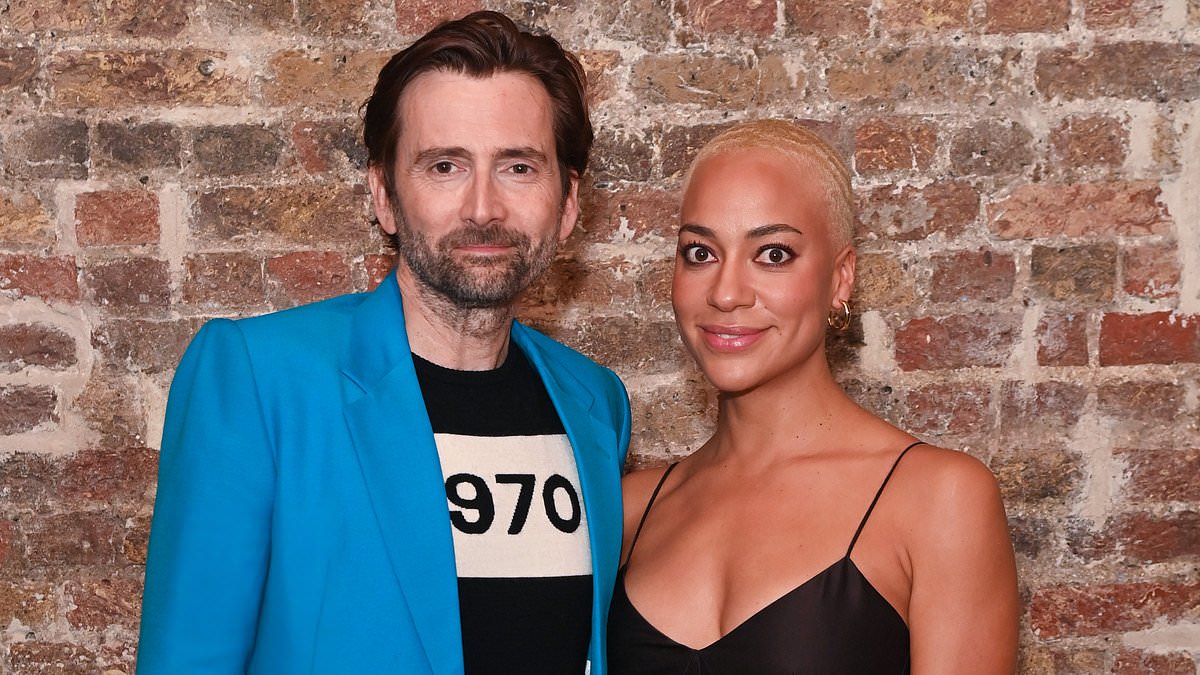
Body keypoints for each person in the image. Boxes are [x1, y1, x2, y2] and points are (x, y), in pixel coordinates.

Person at [136, 11, 631, 675]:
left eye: (517, 166)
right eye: (445, 165)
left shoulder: (596, 402)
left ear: (568, 201)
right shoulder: (259, 381)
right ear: (385, 197)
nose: (482, 207)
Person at [606, 120, 1019, 673]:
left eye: (773, 254)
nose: (726, 292)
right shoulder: (631, 509)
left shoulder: (938, 500)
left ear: (841, 278)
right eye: (700, 253)